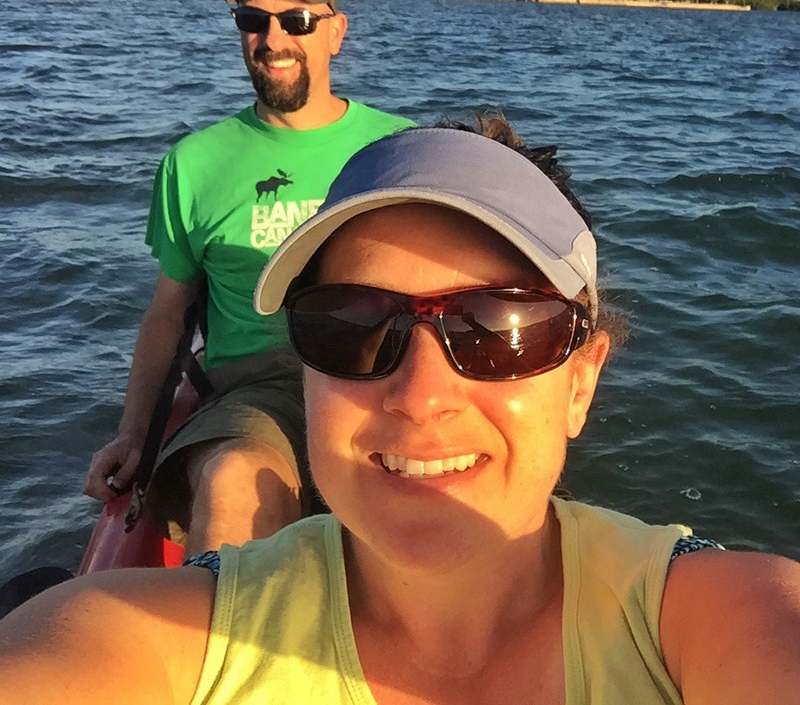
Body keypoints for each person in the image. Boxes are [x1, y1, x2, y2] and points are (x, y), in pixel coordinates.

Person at [2, 121, 798, 703]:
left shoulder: (710, 621)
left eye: (500, 330)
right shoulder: (158, 635)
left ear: (581, 383)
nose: (420, 394)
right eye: (350, 324)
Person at [81, 0, 414, 555]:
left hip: (381, 375)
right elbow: (168, 311)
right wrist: (132, 432)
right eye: (252, 20)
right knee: (238, 480)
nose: (272, 38)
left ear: (335, 32)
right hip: (259, 389)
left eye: (296, 21)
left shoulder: (402, 149)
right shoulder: (194, 163)